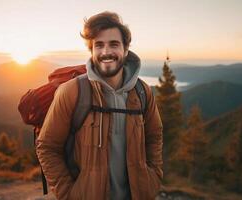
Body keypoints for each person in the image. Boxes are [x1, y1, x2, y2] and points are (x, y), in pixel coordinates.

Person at [36, 11, 163, 200]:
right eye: (99, 45)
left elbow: (155, 136)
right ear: (91, 50)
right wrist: (69, 194)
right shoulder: (72, 91)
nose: (106, 52)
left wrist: (152, 179)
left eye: (114, 44)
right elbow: (47, 146)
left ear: (126, 49)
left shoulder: (142, 92)